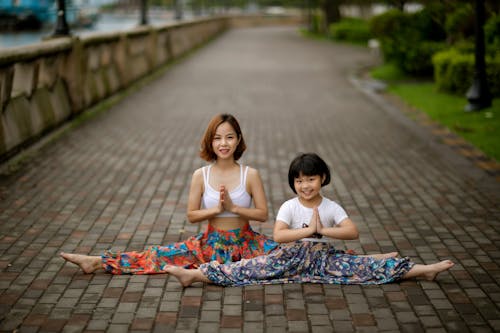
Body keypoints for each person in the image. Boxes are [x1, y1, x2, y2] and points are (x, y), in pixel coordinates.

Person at [165, 153, 455, 287]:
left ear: (323, 179)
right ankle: (194, 275)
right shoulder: (290, 207)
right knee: (245, 269)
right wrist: (307, 232)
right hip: (288, 256)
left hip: (320, 258)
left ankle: (424, 270)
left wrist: (322, 229)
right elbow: (278, 236)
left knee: (364, 268)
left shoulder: (330, 206)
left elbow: (352, 231)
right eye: (300, 181)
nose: (306, 186)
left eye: (311, 180)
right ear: (294, 183)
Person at [60, 114, 278, 274]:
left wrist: (234, 209)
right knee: (157, 256)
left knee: (285, 260)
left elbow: (263, 214)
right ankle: (97, 261)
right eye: (218, 138)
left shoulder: (250, 175)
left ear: (238, 140)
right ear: (210, 142)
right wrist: (217, 210)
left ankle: (199, 276)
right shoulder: (200, 175)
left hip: (247, 245)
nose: (224, 144)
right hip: (210, 245)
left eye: (229, 137)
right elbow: (192, 216)